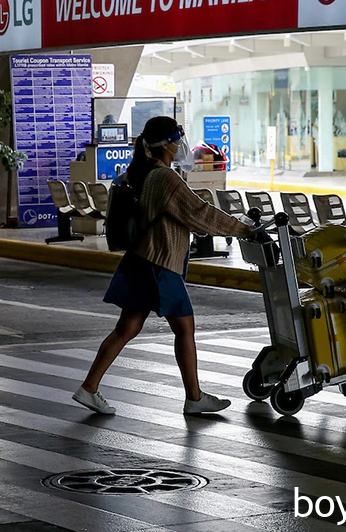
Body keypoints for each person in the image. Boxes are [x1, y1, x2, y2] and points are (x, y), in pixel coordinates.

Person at [73, 116, 255, 416]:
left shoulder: (144, 173)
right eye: (178, 136)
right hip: (158, 264)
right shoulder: (165, 178)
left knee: (127, 327)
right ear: (167, 143)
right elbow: (201, 213)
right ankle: (194, 397)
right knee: (184, 327)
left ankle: (89, 388)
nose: (182, 142)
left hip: (140, 260)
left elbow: (184, 216)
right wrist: (243, 229)